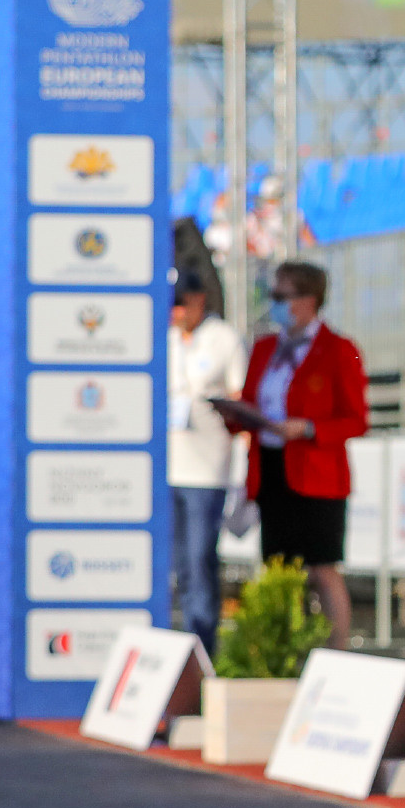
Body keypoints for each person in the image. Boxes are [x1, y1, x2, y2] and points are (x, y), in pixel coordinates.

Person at [238, 262, 366, 648]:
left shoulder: (339, 350)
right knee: (280, 570)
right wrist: (234, 413)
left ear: (309, 300)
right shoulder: (264, 349)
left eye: (281, 297)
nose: (274, 305)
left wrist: (307, 428)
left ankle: (336, 652)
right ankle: (285, 652)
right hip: (273, 470)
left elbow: (356, 420)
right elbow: (249, 401)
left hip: (317, 473)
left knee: (322, 569)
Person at [168, 273, 245, 655]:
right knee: (176, 564)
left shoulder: (224, 338)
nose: (177, 312)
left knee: (199, 561)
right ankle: (175, 646)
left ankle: (202, 651)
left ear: (200, 300)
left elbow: (241, 399)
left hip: (206, 471)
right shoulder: (165, 338)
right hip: (166, 468)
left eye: (183, 303)